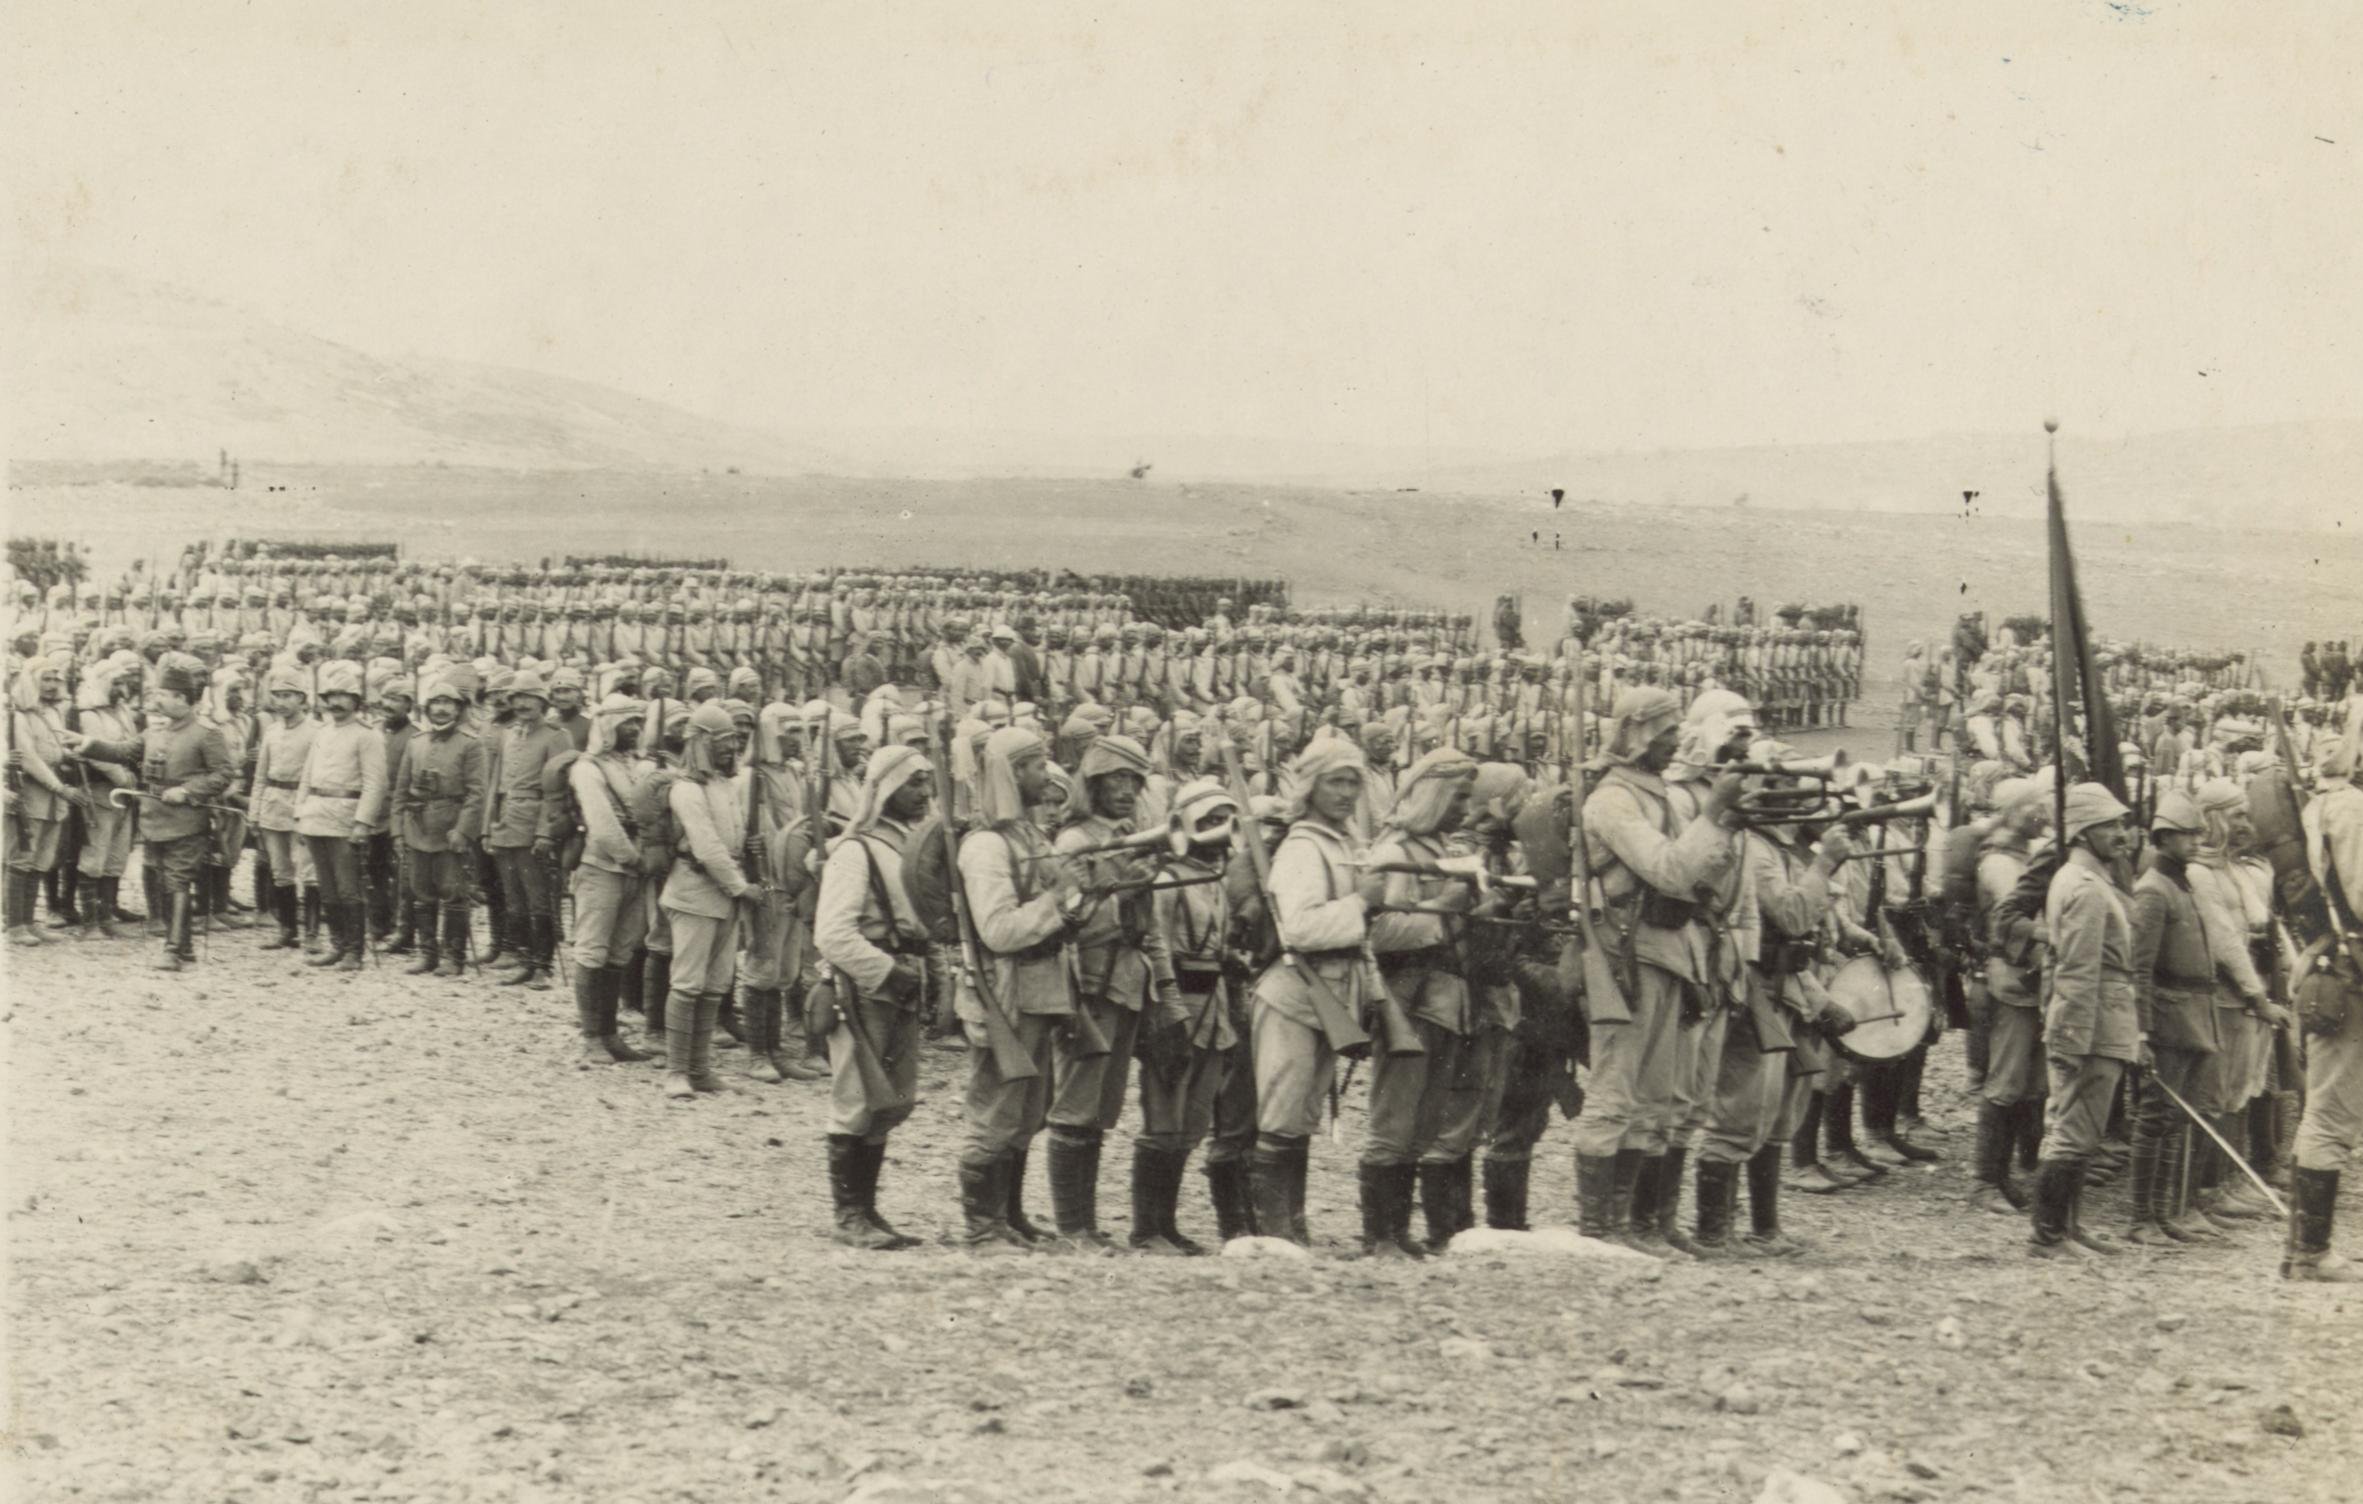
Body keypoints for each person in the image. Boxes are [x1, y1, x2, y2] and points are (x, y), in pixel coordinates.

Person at [1577, 687, 1742, 1247]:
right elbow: (1670, 871)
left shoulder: (1661, 796)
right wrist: (1715, 813)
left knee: (1654, 1097)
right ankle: (1600, 1228)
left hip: (1668, 950)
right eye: (1666, 730)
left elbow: (1700, 880)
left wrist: (1722, 823)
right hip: (1627, 954)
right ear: (1637, 733)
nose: (1677, 740)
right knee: (1615, 1091)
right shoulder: (1611, 800)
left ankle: (1632, 1224)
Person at [1046, 734, 1181, 1249]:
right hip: (1088, 983)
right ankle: (1072, 1225)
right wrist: (1125, 893)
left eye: (1134, 781)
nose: (1126, 791)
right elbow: (1069, 922)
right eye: (1115, 781)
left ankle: (1086, 1223)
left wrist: (1164, 992)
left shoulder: (1129, 837)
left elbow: (1151, 930)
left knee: (1101, 1110)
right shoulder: (1076, 842)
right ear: (1093, 786)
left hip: (1126, 983)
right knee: (1075, 1105)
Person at [1247, 738, 1383, 1247]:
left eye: (1354, 782)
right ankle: (1275, 1230)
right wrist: (1361, 906)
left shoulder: (1341, 842)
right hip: (1295, 993)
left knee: (1301, 1114)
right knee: (1283, 1112)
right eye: (1336, 781)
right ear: (1311, 787)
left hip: (1330, 992)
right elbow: (1298, 930)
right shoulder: (1304, 847)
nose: (1347, 793)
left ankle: (1293, 1225)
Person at [953, 725, 1082, 1253]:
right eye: (1032, 766)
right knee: (998, 1107)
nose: (1043, 775)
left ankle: (1009, 1216)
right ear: (1009, 774)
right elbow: (999, 930)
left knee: (1030, 1108)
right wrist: (1056, 899)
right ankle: (982, 1227)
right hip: (1007, 991)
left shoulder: (1027, 835)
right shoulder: (986, 844)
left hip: (1040, 987)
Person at [812, 744, 937, 1250]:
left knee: (891, 1099)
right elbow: (833, 933)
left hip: (903, 979)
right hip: (863, 987)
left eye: (928, 782)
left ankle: (869, 1209)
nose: (924, 793)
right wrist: (886, 972)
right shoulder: (855, 850)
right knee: (856, 1097)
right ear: (885, 791)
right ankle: (848, 1214)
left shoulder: (915, 846)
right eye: (912, 783)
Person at [67, 656, 233, 971]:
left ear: (182, 699)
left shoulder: (206, 733)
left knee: (178, 881)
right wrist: (87, 744)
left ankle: (172, 949)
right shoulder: (155, 731)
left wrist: (186, 791)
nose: (155, 699)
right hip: (154, 820)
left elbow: (222, 775)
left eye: (163, 694)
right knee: (164, 882)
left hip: (186, 820)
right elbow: (124, 752)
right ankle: (183, 947)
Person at [2030, 783, 2139, 1258]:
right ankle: (2049, 1235)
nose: (2122, 834)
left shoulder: (2088, 882)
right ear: (2081, 832)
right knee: (2074, 1130)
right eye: (2109, 826)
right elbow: (2077, 969)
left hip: (2100, 1020)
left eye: (2120, 824)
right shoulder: (2086, 889)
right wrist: (2071, 1040)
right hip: (2092, 1025)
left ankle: (2068, 1227)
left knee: (2080, 1129)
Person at [2288, 731, 2363, 1279]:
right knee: (2330, 1111)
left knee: (2328, 1109)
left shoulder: (2327, 806)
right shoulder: (2351, 811)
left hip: (2334, 963)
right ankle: (2310, 1252)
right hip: (2349, 970)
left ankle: (2307, 1248)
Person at [658, 702, 757, 1099]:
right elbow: (707, 846)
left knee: (715, 983)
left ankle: (700, 1068)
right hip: (695, 892)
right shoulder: (687, 789)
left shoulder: (725, 786)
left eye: (734, 739)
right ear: (700, 743)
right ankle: (676, 1070)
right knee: (687, 981)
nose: (732, 747)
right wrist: (740, 886)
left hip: (724, 892)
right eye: (722, 740)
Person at [564, 692, 657, 1066]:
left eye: (638, 722)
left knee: (620, 951)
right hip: (602, 867)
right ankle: (591, 1037)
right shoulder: (588, 769)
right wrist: (634, 858)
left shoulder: (638, 766)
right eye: (627, 723)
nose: (634, 729)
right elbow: (602, 825)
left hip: (636, 869)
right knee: (592, 950)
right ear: (608, 726)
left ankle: (610, 1033)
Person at [391, 673, 488, 977]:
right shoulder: (416, 742)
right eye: (436, 703)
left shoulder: (470, 744)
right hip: (418, 827)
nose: (442, 710)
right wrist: (397, 830)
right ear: (427, 708)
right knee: (420, 892)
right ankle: (427, 952)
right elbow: (401, 789)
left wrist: (463, 831)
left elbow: (477, 794)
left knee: (453, 893)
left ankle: (453, 956)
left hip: (450, 828)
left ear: (459, 709)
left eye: (448, 704)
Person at [294, 660, 388, 971]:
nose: (335, 702)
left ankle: (354, 952)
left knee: (349, 887)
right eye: (330, 696)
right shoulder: (322, 732)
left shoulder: (367, 735)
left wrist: (363, 822)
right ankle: (337, 944)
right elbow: (307, 775)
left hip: (345, 818)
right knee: (327, 886)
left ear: (356, 701)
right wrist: (300, 812)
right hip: (316, 816)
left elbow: (376, 782)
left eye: (343, 696)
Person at [490, 670, 569, 990]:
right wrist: (488, 827)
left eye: (530, 698)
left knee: (538, 898)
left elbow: (558, 790)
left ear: (543, 702)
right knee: (514, 897)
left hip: (535, 821)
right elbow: (496, 783)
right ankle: (524, 959)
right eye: (517, 698)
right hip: (506, 822)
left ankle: (542, 965)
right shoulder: (508, 733)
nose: (522, 704)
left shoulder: (555, 736)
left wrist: (545, 832)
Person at [250, 666, 320, 951]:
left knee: (309, 870)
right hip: (273, 804)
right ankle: (287, 929)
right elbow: (260, 774)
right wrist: (255, 812)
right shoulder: (272, 731)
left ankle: (312, 934)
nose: (281, 702)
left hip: (303, 804)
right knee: (280, 870)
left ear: (302, 699)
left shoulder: (316, 730)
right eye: (277, 695)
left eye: (288, 695)